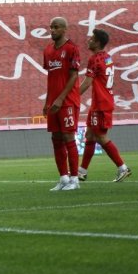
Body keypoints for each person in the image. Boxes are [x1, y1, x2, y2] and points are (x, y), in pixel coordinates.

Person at [77, 29, 131, 182]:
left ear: (98, 42)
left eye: (92, 39)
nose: (89, 40)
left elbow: (87, 82)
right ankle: (82, 171)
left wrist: (72, 97)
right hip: (101, 102)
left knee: (101, 137)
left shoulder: (94, 59)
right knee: (89, 135)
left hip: (101, 104)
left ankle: (123, 167)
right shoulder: (107, 58)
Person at [43, 17, 81, 191]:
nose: (52, 30)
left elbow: (74, 76)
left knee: (68, 137)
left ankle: (75, 179)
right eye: (51, 27)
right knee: (56, 139)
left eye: (56, 27)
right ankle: (64, 178)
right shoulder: (48, 50)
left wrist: (60, 99)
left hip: (67, 102)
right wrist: (47, 101)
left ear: (65, 29)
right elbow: (51, 78)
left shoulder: (72, 49)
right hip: (53, 102)